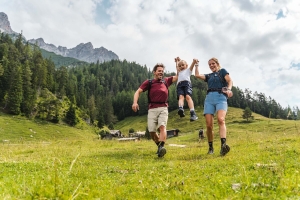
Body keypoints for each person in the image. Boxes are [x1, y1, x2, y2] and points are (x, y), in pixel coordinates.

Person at [132, 63, 178, 158]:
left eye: (162, 71)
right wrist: (135, 102)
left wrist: (177, 63)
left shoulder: (166, 81)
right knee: (152, 131)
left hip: (163, 107)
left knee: (162, 126)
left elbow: (178, 76)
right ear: (154, 72)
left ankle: (161, 148)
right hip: (152, 109)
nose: (161, 72)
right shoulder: (149, 82)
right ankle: (160, 148)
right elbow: (138, 91)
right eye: (159, 71)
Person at [195, 57, 233, 156]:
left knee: (221, 119)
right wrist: (196, 65)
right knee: (209, 125)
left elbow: (230, 81)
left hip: (221, 97)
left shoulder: (223, 71)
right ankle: (211, 148)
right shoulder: (209, 76)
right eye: (209, 64)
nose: (211, 66)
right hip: (209, 99)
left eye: (213, 63)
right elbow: (197, 75)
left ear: (217, 63)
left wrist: (229, 89)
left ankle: (223, 146)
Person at [175, 57, 198, 121]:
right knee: (181, 96)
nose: (181, 66)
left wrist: (194, 62)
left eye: (183, 65)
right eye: (180, 66)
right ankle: (180, 108)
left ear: (186, 65)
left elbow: (192, 66)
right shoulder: (179, 72)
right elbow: (177, 67)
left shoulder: (188, 70)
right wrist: (176, 61)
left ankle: (192, 112)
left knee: (188, 96)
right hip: (179, 85)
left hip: (186, 83)